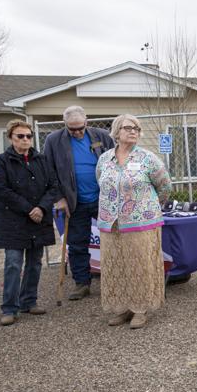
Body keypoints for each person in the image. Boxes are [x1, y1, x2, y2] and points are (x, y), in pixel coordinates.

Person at [95, 114, 172, 329]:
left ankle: (140, 309)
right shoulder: (104, 159)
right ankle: (121, 307)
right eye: (128, 128)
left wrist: (146, 208)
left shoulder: (148, 158)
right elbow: (100, 181)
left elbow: (165, 187)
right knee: (116, 264)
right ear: (116, 132)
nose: (133, 131)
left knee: (139, 265)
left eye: (137, 129)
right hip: (111, 222)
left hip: (141, 222)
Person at [43, 105, 114, 300]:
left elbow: (116, 162)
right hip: (74, 201)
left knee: (113, 240)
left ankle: (115, 279)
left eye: (80, 128)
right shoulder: (54, 140)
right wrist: (59, 198)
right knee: (77, 244)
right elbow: (49, 172)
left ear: (87, 121)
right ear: (64, 124)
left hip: (104, 199)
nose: (76, 132)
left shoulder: (102, 136)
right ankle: (82, 283)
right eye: (71, 129)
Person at [0, 119, 59, 326]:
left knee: (35, 262)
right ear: (11, 138)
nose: (25, 140)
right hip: (12, 220)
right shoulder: (2, 161)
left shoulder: (42, 160)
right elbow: (2, 190)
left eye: (28, 136)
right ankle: (9, 308)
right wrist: (29, 209)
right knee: (13, 263)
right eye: (20, 136)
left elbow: (54, 186)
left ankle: (29, 301)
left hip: (39, 219)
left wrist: (41, 208)